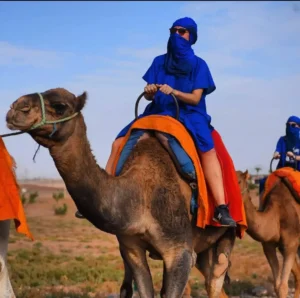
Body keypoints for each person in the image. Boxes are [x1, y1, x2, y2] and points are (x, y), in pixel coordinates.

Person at [76, 17, 236, 227]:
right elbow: (151, 94)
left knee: (208, 150)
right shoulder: (159, 62)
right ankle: (100, 196)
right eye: (173, 31)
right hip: (158, 110)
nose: (176, 35)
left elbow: (196, 98)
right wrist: (150, 91)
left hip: (189, 113)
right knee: (118, 143)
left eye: (182, 32)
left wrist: (175, 92)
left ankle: (221, 208)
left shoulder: (199, 65)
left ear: (191, 36)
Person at [259, 115, 300, 196]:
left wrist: (294, 157)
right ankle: (261, 206)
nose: (290, 127)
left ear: (298, 127)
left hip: (297, 171)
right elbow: (277, 151)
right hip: (282, 170)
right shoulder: (282, 140)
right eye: (288, 125)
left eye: (293, 125)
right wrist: (276, 155)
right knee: (263, 182)